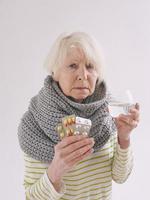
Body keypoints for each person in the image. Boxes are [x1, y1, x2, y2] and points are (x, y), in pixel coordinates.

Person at [18, 32, 140, 200]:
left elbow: (121, 177)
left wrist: (123, 139)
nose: (83, 75)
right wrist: (55, 172)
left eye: (90, 66)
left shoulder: (108, 113)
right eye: (73, 66)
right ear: (55, 72)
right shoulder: (34, 126)